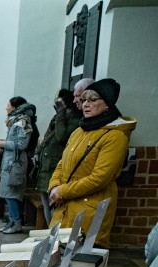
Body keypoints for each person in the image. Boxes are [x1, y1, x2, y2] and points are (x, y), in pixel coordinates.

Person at [48, 78, 137, 248]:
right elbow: (62, 163)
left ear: (107, 104)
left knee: (78, 265)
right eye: (84, 100)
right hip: (65, 208)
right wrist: (54, 187)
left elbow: (100, 178)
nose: (86, 104)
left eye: (93, 100)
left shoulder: (115, 136)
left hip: (89, 211)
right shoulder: (79, 131)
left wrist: (62, 191)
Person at [33, 89, 81, 224]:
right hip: (45, 169)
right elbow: (48, 137)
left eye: (60, 103)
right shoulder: (58, 119)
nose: (57, 106)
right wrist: (38, 153)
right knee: (46, 207)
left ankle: (53, 236)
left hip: (54, 169)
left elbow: (61, 137)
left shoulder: (74, 120)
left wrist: (60, 115)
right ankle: (49, 233)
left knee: (54, 208)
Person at [0, 96, 35, 234]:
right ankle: (11, 222)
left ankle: (16, 222)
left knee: (11, 194)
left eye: (8, 104)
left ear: (15, 107)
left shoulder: (23, 122)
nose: (6, 107)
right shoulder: (15, 121)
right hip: (10, 161)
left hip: (15, 163)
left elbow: (22, 144)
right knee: (7, 193)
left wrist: (3, 144)